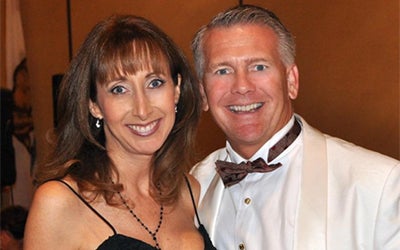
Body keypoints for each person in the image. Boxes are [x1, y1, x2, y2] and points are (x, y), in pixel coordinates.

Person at [190, 4, 400, 250]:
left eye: (258, 67)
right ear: (203, 93)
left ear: (291, 81)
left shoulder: (379, 183)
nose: (242, 86)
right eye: (223, 70)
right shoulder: (195, 185)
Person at [24, 15, 216, 250]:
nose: (143, 109)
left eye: (154, 83)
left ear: (176, 89)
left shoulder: (191, 191)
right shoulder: (59, 202)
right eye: (119, 89)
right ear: (94, 105)